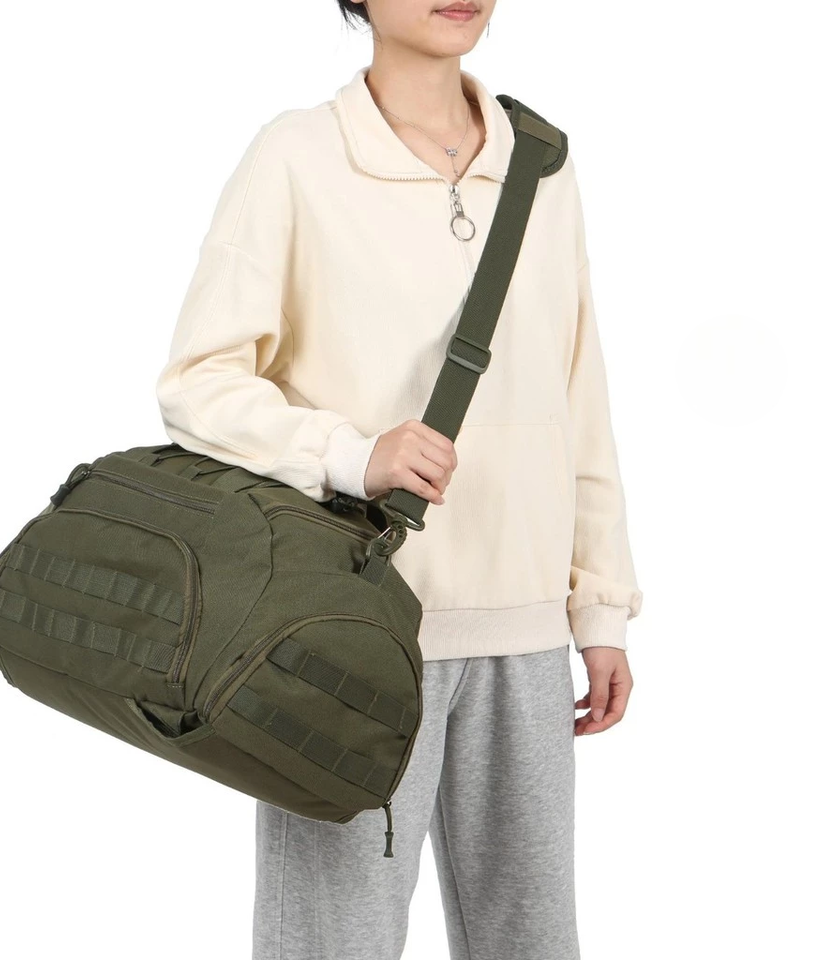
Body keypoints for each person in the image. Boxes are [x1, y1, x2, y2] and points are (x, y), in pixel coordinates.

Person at [155, 2, 644, 957]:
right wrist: (350, 452)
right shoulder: (297, 158)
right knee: (333, 942)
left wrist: (601, 606)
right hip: (348, 637)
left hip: (524, 634)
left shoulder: (541, 165)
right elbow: (198, 384)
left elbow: (579, 393)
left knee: (533, 943)